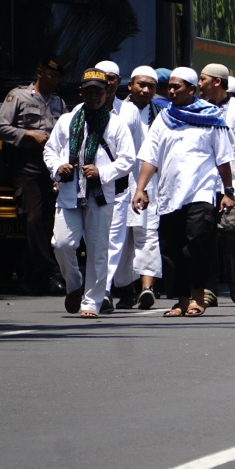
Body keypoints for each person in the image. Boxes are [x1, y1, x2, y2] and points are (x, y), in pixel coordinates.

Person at [133, 67, 235, 317]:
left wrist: (228, 191)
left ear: (192, 89)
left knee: (197, 242)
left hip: (201, 192)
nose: (171, 91)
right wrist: (140, 188)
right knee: (172, 248)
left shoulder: (213, 118)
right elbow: (150, 156)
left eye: (176, 87)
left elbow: (223, 159)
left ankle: (198, 297)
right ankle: (180, 300)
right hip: (170, 195)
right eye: (169, 86)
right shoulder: (164, 118)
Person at [43, 68, 135, 318]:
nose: (94, 96)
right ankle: (74, 284)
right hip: (69, 192)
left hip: (100, 196)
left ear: (106, 93)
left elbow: (128, 159)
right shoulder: (67, 120)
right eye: (90, 91)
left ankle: (91, 302)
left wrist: (102, 172)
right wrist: (57, 167)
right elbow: (50, 150)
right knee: (61, 244)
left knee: (97, 249)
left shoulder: (116, 123)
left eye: (99, 91)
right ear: (81, 92)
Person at [0, 57, 67, 295]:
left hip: (50, 165)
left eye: (58, 78)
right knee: (33, 217)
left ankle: (28, 277)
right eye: (51, 76)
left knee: (46, 222)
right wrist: (28, 134)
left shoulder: (59, 102)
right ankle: (50, 270)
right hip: (25, 164)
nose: (55, 81)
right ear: (39, 72)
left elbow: (65, 133)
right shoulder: (19, 96)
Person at [198, 62, 235, 305]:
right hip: (202, 184)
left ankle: (234, 275)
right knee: (204, 235)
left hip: (234, 183)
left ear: (217, 82)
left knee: (230, 231)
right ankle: (209, 288)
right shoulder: (196, 109)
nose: (199, 85)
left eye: (203, 80)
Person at [93, 61, 145, 313]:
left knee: (114, 240)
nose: (108, 82)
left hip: (121, 188)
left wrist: (140, 189)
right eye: (103, 78)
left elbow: (136, 156)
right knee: (88, 241)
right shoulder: (80, 112)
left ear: (119, 80)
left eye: (112, 78)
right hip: (88, 188)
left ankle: (103, 292)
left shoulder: (130, 111)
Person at [119, 66, 163, 309]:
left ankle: (147, 288)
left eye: (151, 87)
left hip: (149, 183)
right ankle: (126, 290)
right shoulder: (118, 111)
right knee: (120, 238)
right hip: (119, 181)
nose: (146, 90)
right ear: (130, 86)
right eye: (141, 85)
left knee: (147, 235)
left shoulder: (162, 115)